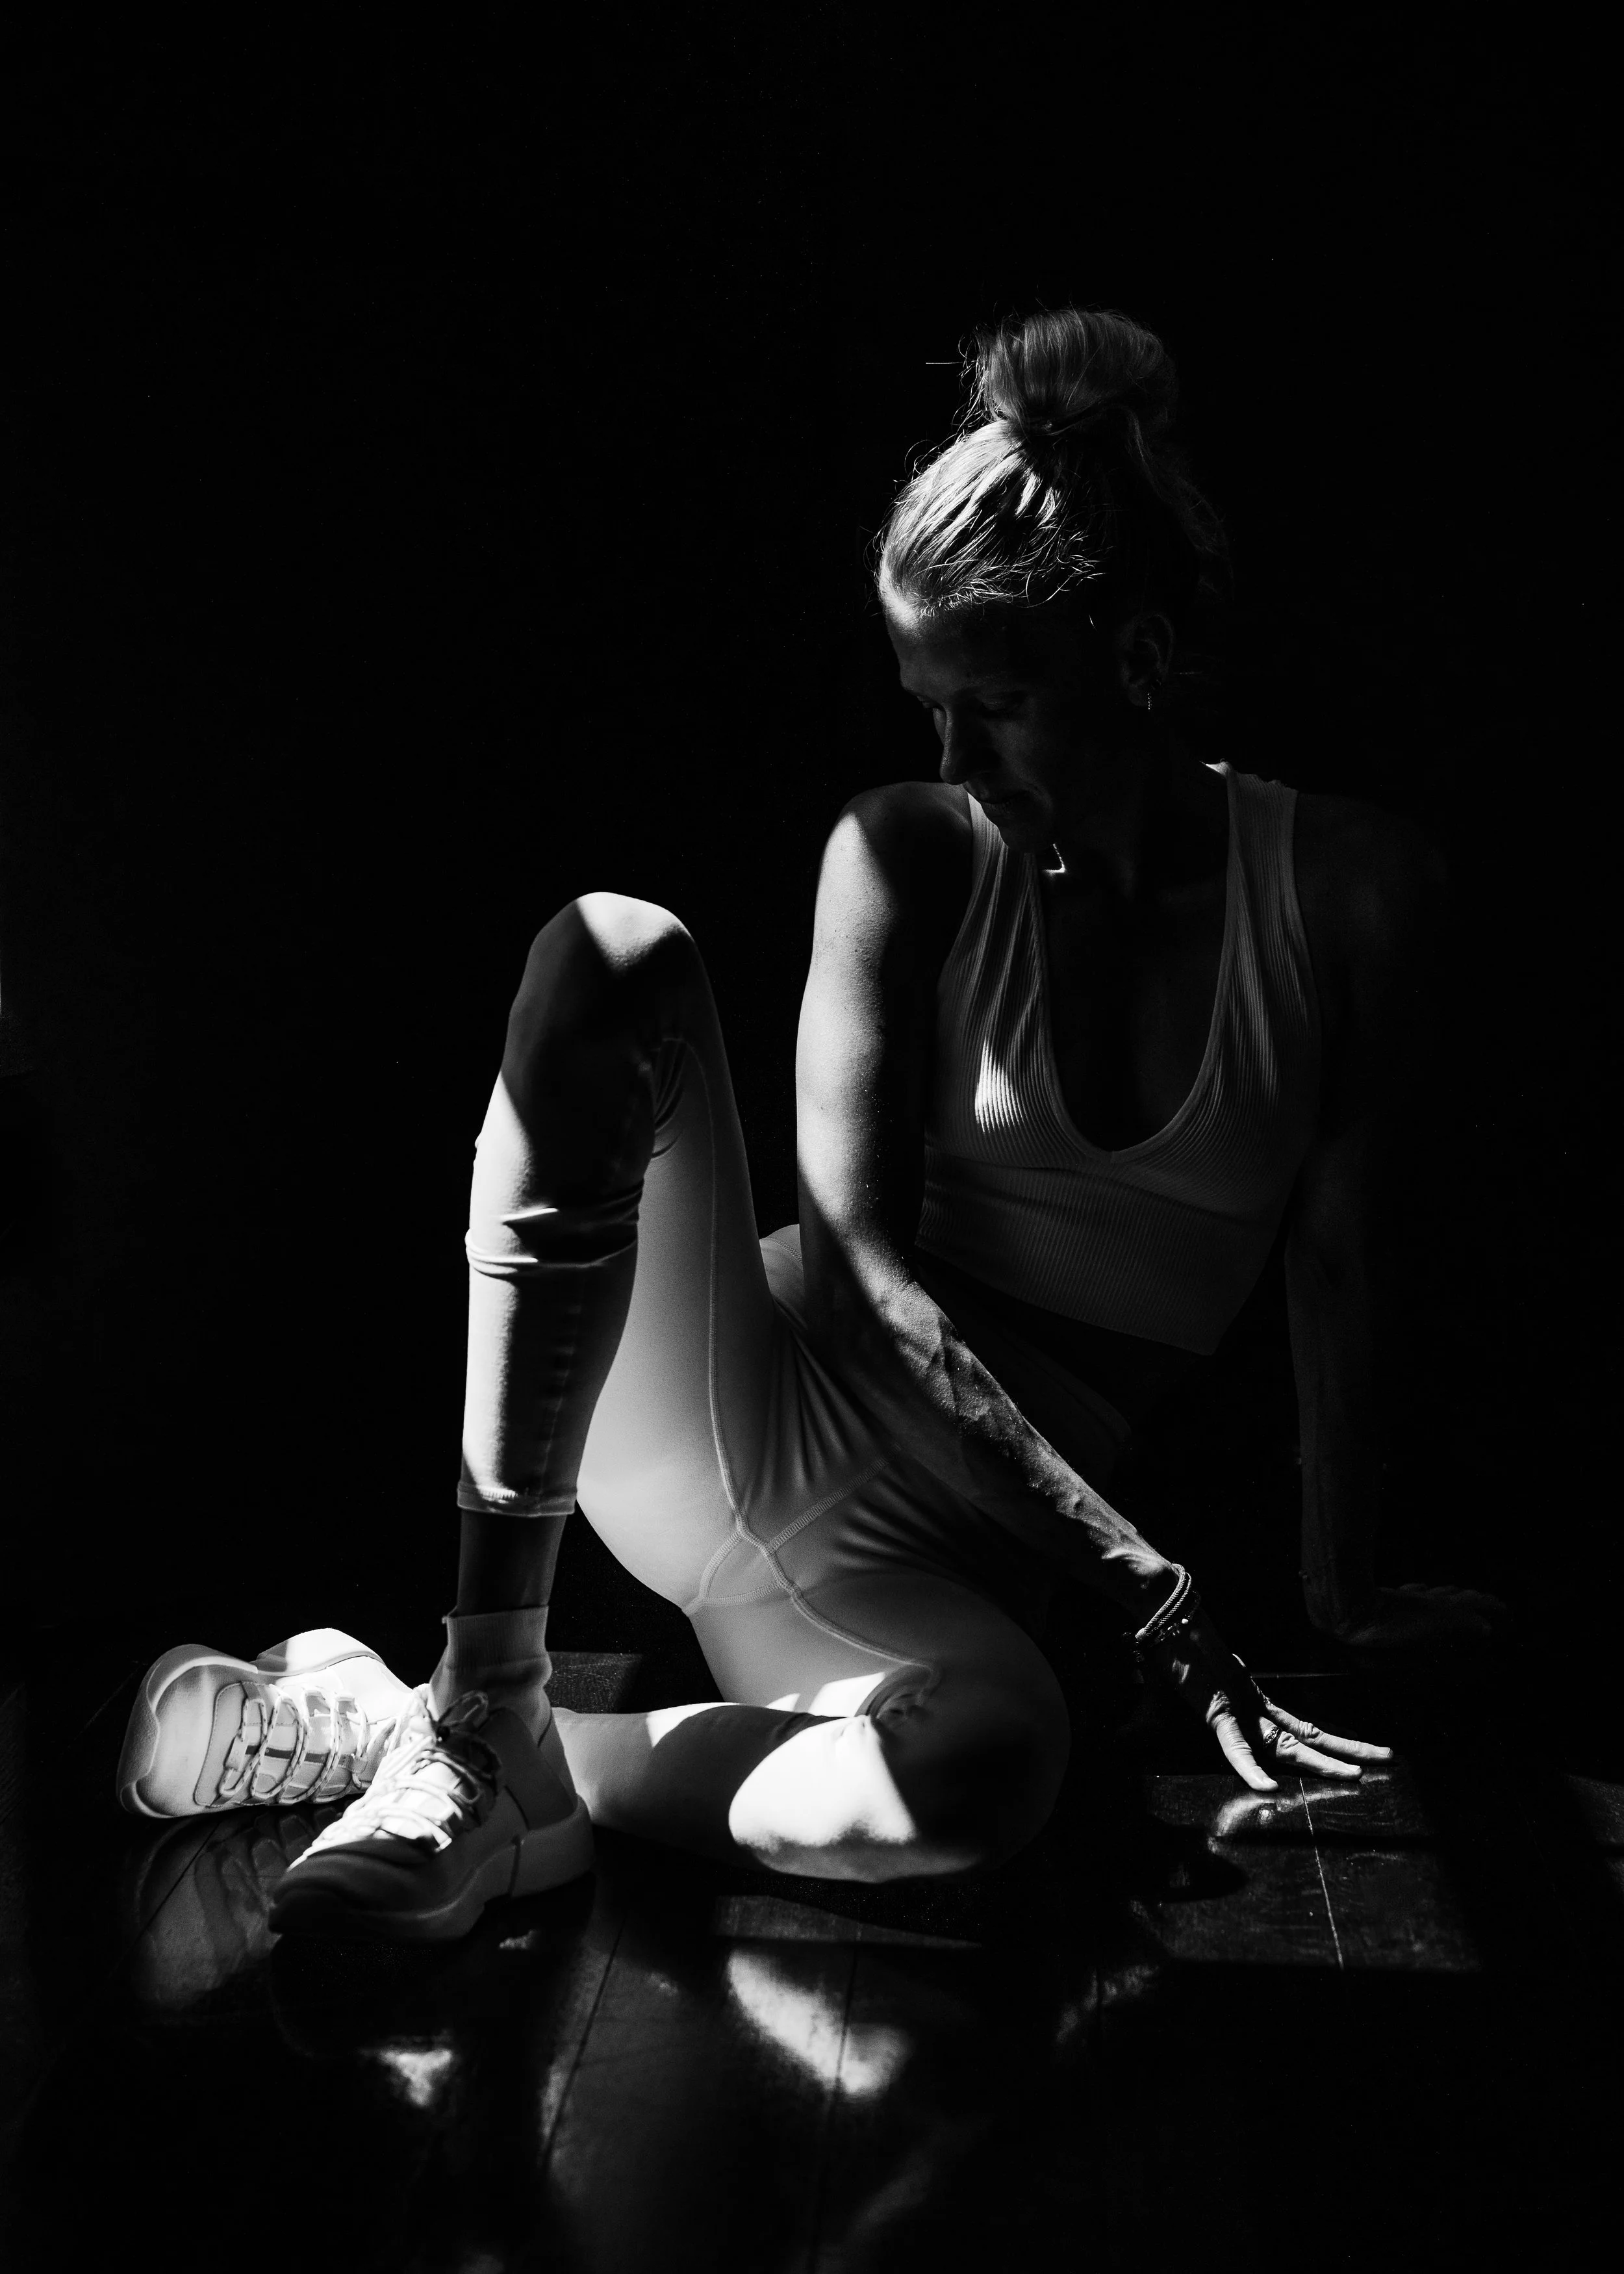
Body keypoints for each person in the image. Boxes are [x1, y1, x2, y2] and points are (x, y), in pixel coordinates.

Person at [118, 306, 1497, 1942]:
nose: (952, 754)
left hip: (909, 1573)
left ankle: (444, 1746)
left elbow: (1338, 1259)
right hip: (729, 1406)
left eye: (994, 701)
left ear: (1132, 655)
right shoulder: (906, 853)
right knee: (612, 951)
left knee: (985, 1774)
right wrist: (1148, 1590)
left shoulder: (1351, 892)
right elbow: (854, 1286)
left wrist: (1340, 1589)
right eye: (925, 704)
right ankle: (487, 1685)